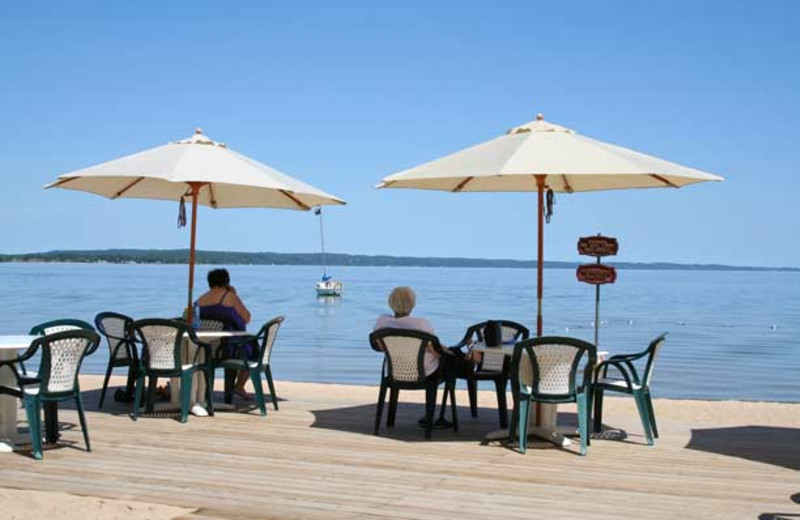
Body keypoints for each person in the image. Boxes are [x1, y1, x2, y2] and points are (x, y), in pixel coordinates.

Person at [196, 268, 253, 400]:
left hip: (204, 349)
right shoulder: (230, 297)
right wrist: (235, 295)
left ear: (209, 282)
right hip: (226, 349)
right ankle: (239, 386)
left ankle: (205, 391)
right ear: (227, 282)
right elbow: (247, 318)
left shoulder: (200, 300)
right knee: (253, 347)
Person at [373, 286, 440, 376]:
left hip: (394, 371)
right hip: (424, 371)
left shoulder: (382, 322)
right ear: (412, 303)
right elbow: (434, 349)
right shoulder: (421, 324)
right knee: (450, 363)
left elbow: (378, 347)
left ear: (391, 303)